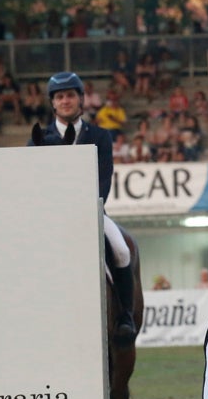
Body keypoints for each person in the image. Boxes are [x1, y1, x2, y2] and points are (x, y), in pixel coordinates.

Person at [28, 71, 137, 339]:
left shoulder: (100, 136)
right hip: (48, 220)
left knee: (122, 250)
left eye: (70, 95)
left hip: (91, 215)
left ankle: (125, 316)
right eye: (60, 96)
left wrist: (89, 211)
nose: (65, 101)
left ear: (81, 99)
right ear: (53, 103)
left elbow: (104, 177)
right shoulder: (37, 140)